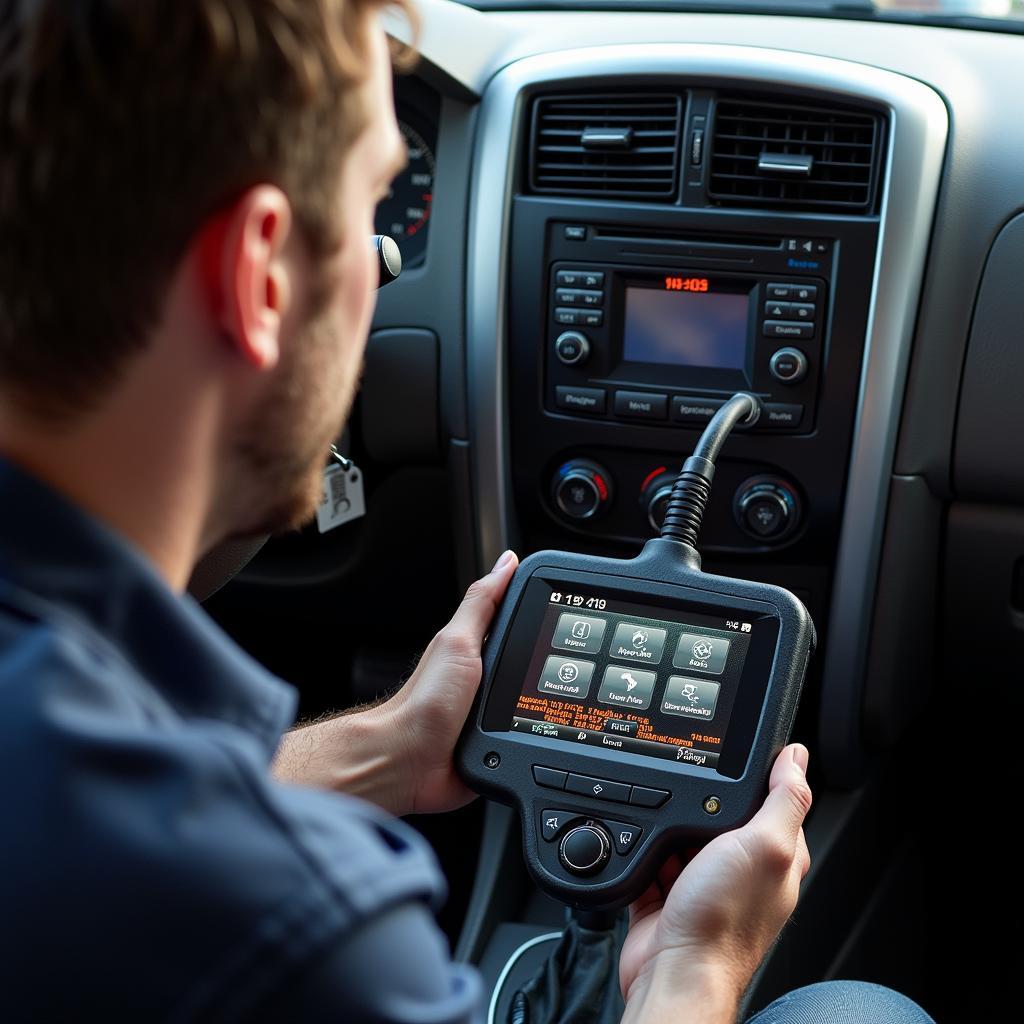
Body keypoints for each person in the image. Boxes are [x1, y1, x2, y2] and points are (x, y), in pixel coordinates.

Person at [0, 2, 935, 1021]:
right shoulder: (297, 924)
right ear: (257, 275)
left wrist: (391, 751)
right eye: (371, 208)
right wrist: (695, 966)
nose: (387, 261)